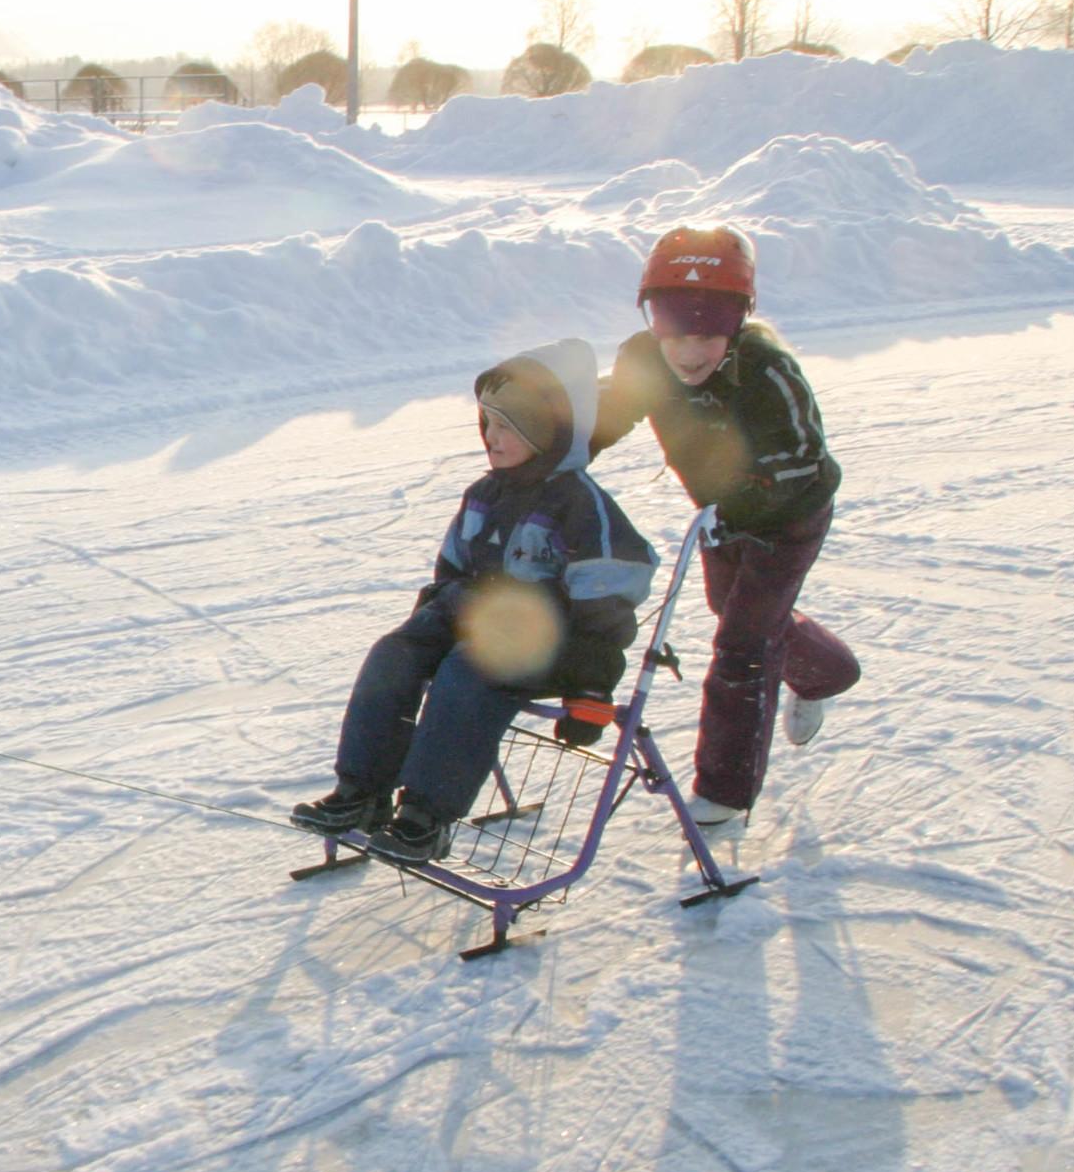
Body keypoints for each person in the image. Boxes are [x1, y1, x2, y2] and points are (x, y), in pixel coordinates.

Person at [294, 340, 657, 862]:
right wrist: (426, 630)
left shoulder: (582, 504)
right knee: (393, 654)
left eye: (508, 426)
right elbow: (452, 571)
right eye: (487, 423)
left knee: (467, 672)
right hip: (478, 625)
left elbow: (608, 596)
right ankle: (362, 793)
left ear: (549, 430)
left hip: (550, 643)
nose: (492, 437)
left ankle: (426, 817)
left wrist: (591, 686)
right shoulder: (485, 494)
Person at [592, 224, 860, 830]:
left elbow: (799, 458)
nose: (690, 352)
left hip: (788, 521)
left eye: (710, 334)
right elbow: (608, 415)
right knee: (732, 612)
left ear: (739, 322)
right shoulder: (644, 360)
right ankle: (828, 674)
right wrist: (547, 444)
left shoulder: (768, 374)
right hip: (722, 515)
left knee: (743, 644)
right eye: (674, 333)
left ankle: (724, 792)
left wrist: (750, 489)